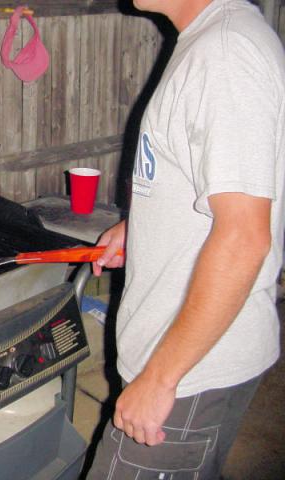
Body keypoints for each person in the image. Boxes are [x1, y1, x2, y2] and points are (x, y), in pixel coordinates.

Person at [85, 0, 285, 478]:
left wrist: (160, 378)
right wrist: (145, 227)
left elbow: (243, 236)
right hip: (194, 361)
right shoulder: (215, 38)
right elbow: (216, 185)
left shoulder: (224, 53)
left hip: (189, 371)